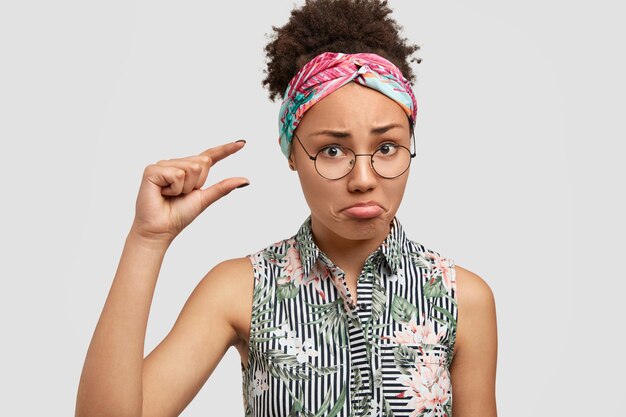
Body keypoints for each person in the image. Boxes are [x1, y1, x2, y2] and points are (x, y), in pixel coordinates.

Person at [75, 1, 498, 416]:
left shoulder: (463, 299)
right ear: (292, 153)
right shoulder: (239, 289)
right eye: (332, 150)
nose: (364, 179)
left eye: (387, 147)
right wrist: (148, 241)